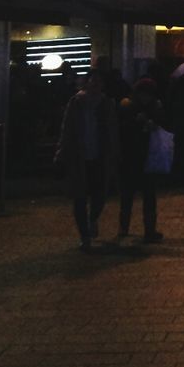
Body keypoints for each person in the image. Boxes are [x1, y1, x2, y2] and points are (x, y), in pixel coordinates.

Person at [55, 72, 120, 250]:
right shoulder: (76, 103)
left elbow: (112, 129)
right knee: (80, 197)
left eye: (98, 82)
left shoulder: (106, 104)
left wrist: (113, 151)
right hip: (79, 156)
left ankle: (92, 219)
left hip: (100, 155)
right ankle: (85, 235)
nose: (94, 86)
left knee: (99, 194)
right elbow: (67, 127)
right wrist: (62, 150)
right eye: (92, 82)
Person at [117, 77, 166, 243]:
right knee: (130, 195)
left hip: (145, 156)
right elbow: (121, 130)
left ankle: (147, 229)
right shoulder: (129, 106)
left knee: (145, 195)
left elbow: (161, 123)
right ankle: (125, 228)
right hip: (132, 156)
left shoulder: (153, 107)